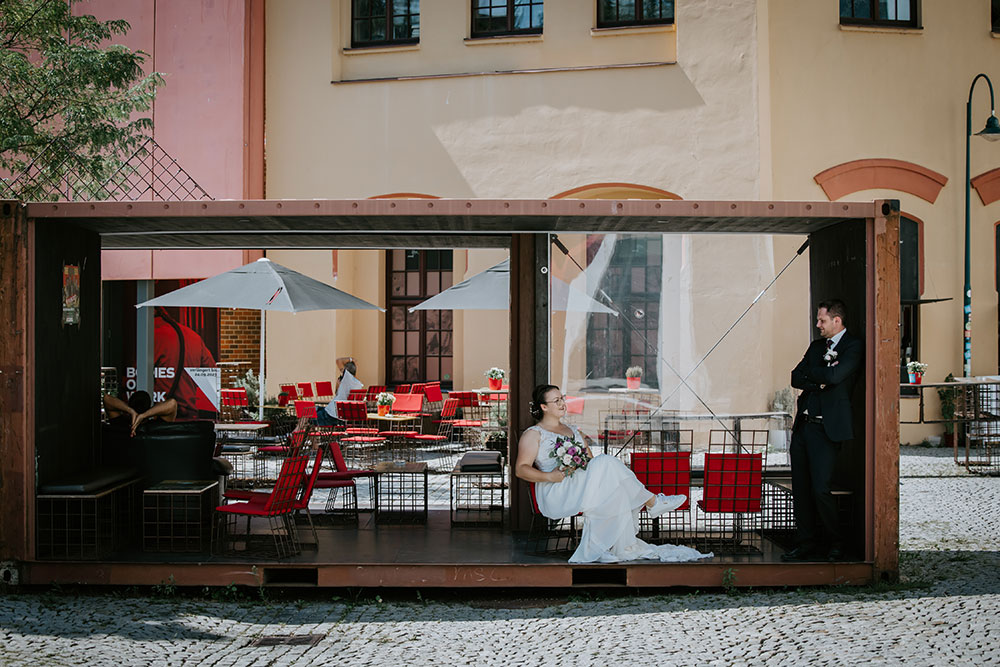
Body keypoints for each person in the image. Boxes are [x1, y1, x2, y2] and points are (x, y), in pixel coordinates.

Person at [515, 384, 713, 564]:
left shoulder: (573, 430)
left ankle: (602, 548)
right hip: (556, 490)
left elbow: (591, 463)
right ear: (544, 407)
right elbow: (521, 468)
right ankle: (652, 502)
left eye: (562, 398)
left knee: (614, 489)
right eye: (556, 400)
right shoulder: (534, 433)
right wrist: (550, 476)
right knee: (606, 462)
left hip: (579, 484)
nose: (562, 403)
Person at [782, 298, 863, 562]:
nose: (818, 324)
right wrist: (819, 383)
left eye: (822, 320)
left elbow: (835, 377)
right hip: (804, 428)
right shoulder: (817, 347)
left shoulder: (853, 346)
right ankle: (805, 542)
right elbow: (796, 376)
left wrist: (815, 377)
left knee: (821, 488)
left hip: (827, 430)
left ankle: (835, 543)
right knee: (801, 488)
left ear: (836, 320)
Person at [103, 391, 177, 437]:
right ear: (150, 408)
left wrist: (130, 410)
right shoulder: (159, 426)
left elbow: (106, 399)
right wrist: (144, 415)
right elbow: (172, 403)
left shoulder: (120, 424)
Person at [321, 356, 363, 422]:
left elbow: (338, 361)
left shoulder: (347, 378)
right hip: (344, 416)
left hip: (332, 413)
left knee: (308, 413)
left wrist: (352, 359)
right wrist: (338, 385)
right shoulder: (359, 384)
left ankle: (299, 430)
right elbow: (337, 393)